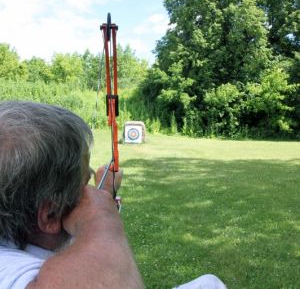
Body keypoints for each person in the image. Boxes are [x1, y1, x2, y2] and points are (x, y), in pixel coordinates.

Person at [0, 101, 226, 289]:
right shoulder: (8, 270)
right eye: (85, 184)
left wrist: (104, 194)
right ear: (50, 214)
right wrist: (101, 216)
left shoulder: (25, 242)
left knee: (209, 284)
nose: (90, 194)